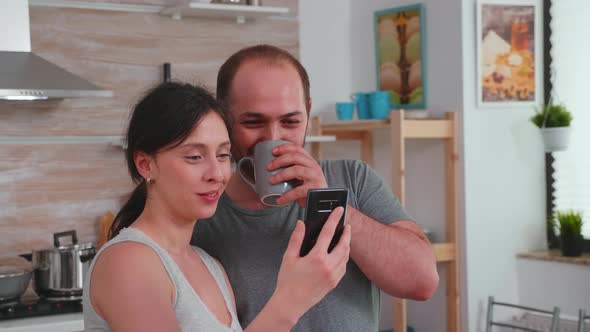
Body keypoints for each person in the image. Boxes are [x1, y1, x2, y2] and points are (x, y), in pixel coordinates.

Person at [191, 45, 439, 331]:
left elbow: (422, 282)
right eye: (253, 122)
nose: (274, 138)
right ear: (224, 118)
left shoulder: (352, 178)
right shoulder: (203, 210)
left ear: (308, 113)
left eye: (290, 121)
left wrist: (330, 204)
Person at [82, 82, 352, 332]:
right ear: (145, 164)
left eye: (223, 155)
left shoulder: (211, 267)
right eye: (195, 157)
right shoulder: (128, 261)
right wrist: (291, 301)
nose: (216, 173)